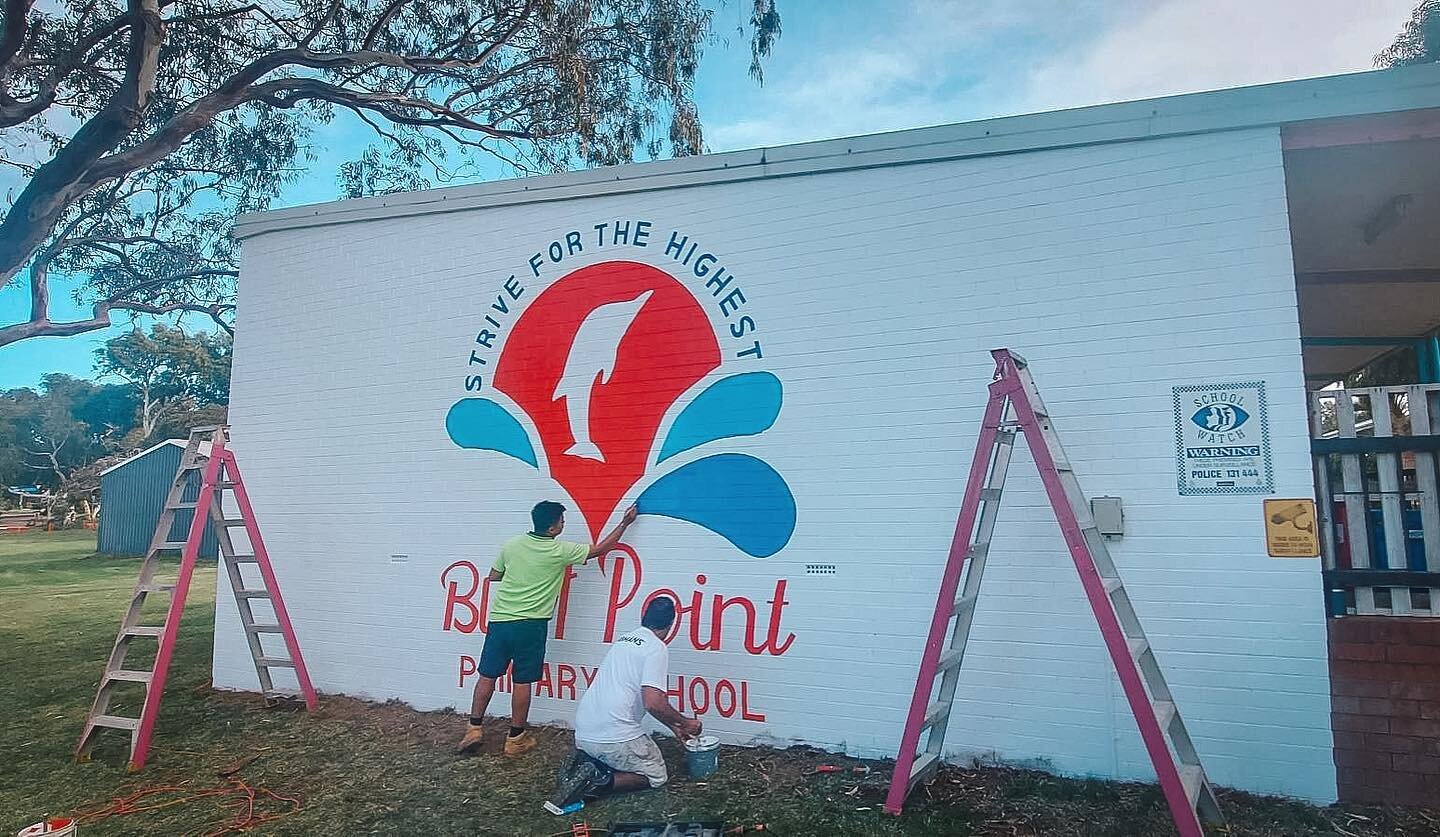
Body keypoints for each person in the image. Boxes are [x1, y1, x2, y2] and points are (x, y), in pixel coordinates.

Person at [455, 500, 638, 757]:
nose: (564, 525)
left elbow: (494, 576)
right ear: (552, 529)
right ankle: (515, 738)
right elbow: (599, 550)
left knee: (487, 675)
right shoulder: (559, 551)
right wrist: (625, 523)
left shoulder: (511, 545)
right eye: (562, 522)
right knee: (522, 681)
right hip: (530, 625)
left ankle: (473, 729)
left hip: (500, 621)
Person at [546, 596, 701, 812]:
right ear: (670, 625)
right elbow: (653, 703)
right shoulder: (656, 648)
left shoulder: (625, 640)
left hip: (584, 732)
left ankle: (586, 760)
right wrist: (686, 723)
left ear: (644, 617)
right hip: (613, 736)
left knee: (614, 750)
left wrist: (674, 726)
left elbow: (646, 700)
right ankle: (598, 781)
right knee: (656, 775)